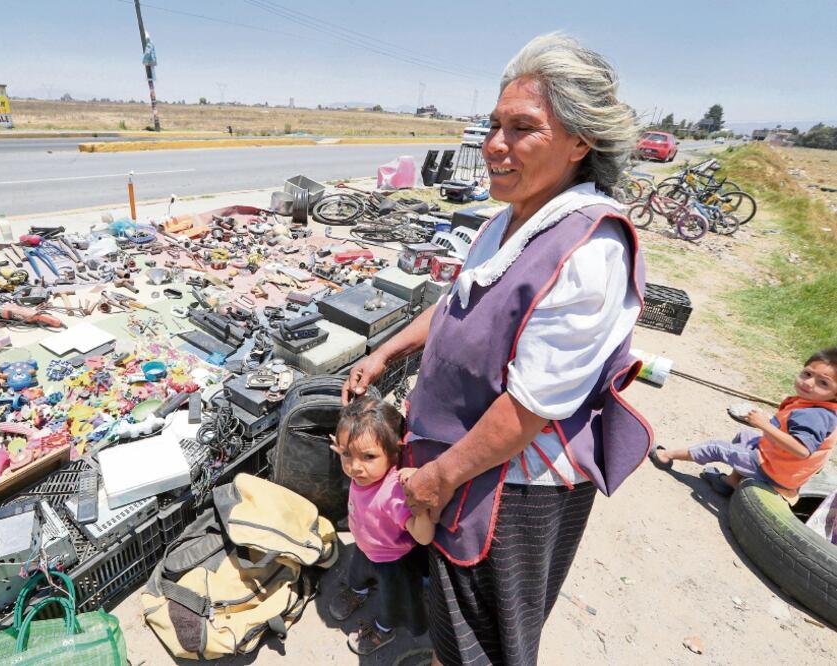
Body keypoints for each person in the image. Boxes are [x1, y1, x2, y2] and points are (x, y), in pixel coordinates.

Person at [342, 33, 650, 666]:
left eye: (522, 128)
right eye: (493, 124)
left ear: (580, 142)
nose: (494, 146)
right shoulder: (508, 219)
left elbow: (531, 406)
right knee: (453, 611)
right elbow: (459, 302)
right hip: (463, 462)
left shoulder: (590, 248)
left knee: (490, 632)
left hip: (513, 487)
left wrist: (437, 478)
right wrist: (387, 354)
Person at [325, 397, 434, 656]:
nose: (354, 467)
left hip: (393, 561)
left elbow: (424, 537)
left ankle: (385, 629)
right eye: (346, 454)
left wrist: (422, 508)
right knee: (358, 571)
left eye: (368, 456)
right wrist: (343, 448)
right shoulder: (364, 473)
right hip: (366, 546)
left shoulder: (394, 492)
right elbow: (355, 454)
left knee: (392, 599)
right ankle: (359, 591)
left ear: (395, 452)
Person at [650, 348, 837, 497]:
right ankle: (730, 482)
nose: (809, 383)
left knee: (716, 447)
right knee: (745, 436)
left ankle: (665, 456)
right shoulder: (818, 407)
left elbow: (802, 450)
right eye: (807, 374)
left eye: (823, 383)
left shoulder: (814, 415)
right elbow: (793, 429)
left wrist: (764, 424)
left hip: (774, 469)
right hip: (783, 463)